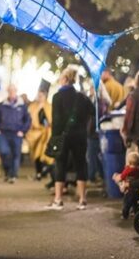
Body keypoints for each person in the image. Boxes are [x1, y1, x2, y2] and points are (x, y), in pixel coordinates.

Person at [45, 68, 94, 211]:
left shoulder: (57, 97)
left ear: (65, 79)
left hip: (63, 136)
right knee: (81, 164)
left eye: (61, 78)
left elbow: (57, 120)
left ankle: (58, 199)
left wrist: (54, 139)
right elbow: (93, 111)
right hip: (80, 136)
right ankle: (82, 199)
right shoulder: (82, 97)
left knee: (60, 164)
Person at [0, 84, 32, 183]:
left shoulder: (22, 105)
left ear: (16, 91)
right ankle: (7, 171)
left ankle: (13, 175)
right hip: (4, 133)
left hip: (17, 134)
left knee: (16, 155)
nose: (11, 92)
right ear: (8, 91)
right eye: (10, 91)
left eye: (13, 90)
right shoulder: (2, 104)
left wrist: (23, 131)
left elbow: (27, 120)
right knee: (3, 152)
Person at [25, 90, 53, 181]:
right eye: (39, 96)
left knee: (45, 154)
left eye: (41, 96)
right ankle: (39, 172)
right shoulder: (33, 106)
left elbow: (51, 119)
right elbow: (30, 117)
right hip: (36, 133)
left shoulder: (49, 106)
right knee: (36, 154)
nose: (40, 98)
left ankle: (44, 172)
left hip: (47, 133)